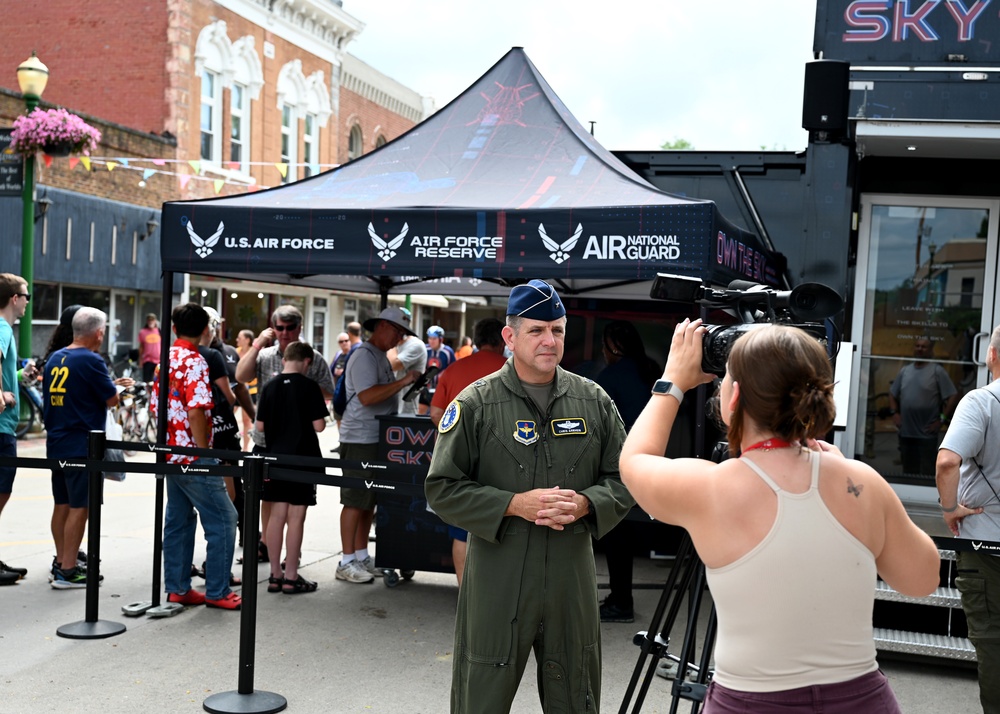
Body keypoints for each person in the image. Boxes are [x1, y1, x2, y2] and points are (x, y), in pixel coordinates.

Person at [620, 319, 940, 713]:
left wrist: (672, 381)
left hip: (749, 704)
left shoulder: (711, 490)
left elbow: (634, 462)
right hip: (862, 701)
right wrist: (859, 484)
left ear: (733, 397)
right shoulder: (861, 482)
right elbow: (923, 579)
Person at [425, 280, 633, 713]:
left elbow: (626, 476)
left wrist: (587, 503)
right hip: (498, 575)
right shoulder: (477, 404)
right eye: (536, 330)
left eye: (557, 330)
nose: (549, 340)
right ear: (510, 336)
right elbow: (442, 488)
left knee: (576, 694)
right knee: (480, 693)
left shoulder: (592, 400)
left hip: (569, 576)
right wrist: (512, 504)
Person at [152, 303, 241, 610]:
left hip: (169, 452)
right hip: (192, 453)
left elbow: (156, 408)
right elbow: (196, 408)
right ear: (206, 329)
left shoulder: (165, 359)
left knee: (178, 520)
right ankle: (218, 590)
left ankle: (177, 587)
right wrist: (204, 453)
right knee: (225, 519)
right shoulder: (196, 360)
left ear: (174, 328)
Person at [235, 304, 335, 561]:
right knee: (267, 498)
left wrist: (299, 391)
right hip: (267, 441)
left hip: (298, 442)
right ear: (273, 328)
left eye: (290, 328)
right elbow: (241, 376)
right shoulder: (266, 354)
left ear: (299, 328)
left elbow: (328, 391)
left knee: (296, 505)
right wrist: (256, 344)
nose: (284, 333)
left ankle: (290, 554)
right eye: (279, 328)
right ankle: (267, 546)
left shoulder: (310, 357)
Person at [936, 323, 1000, 713]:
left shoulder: (981, 403)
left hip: (987, 546)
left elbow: (947, 462)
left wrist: (949, 509)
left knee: (993, 643)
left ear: (991, 355)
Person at [337, 307, 421, 584]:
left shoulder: (379, 356)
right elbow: (367, 397)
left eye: (403, 334)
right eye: (398, 331)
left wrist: (406, 384)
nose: (399, 338)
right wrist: (404, 381)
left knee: (368, 501)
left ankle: (360, 555)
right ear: (383, 326)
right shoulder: (363, 355)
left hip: (375, 436)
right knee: (354, 501)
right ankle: (346, 560)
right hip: (360, 436)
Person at [42, 307, 121, 588]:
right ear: (99, 333)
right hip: (81, 443)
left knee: (62, 503)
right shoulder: (91, 360)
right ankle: (68, 569)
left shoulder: (55, 357)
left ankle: (62, 559)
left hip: (57, 440)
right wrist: (116, 390)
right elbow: (111, 399)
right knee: (80, 507)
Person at [428, 317, 506, 586]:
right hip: (503, 458)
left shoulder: (453, 370)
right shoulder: (512, 368)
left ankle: (465, 593)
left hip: (459, 459)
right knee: (502, 523)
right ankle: (496, 596)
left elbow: (436, 413)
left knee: (461, 530)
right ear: (502, 340)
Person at [593, 319, 661, 623]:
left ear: (614, 347)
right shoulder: (649, 369)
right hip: (647, 462)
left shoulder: (611, 376)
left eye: (605, 345)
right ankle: (621, 597)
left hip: (618, 465)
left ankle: (621, 603)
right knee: (624, 534)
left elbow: (598, 425)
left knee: (616, 535)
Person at [255, 341, 328, 595]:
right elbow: (319, 426)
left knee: (276, 517)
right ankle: (291, 576)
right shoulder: (309, 387)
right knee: (296, 518)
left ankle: (274, 575)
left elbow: (260, 426)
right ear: (307, 361)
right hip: (303, 460)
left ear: (285, 359)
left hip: (275, 459)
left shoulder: (269, 386)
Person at [0, 274, 32, 584]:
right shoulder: (2, 328)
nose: (26, 302)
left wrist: (20, 375)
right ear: (14, 298)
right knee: (1, 491)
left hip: (4, 425)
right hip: (1, 427)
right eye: (27, 296)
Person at [889, 336, 958, 477]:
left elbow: (952, 396)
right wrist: (894, 412)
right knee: (908, 470)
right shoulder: (905, 371)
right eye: (917, 346)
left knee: (927, 472)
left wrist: (942, 419)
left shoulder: (937, 371)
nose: (919, 349)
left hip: (927, 434)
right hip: (906, 433)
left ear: (930, 350)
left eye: (924, 347)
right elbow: (892, 393)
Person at [387, 311, 427, 416]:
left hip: (405, 408)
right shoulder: (395, 345)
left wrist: (392, 344)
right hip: (389, 403)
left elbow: (393, 365)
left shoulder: (415, 345)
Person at [418, 325, 455, 415]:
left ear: (441, 339)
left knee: (438, 413)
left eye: (434, 339)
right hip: (426, 387)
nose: (431, 341)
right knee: (421, 412)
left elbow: (453, 369)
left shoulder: (447, 351)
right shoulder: (425, 349)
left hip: (440, 389)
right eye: (430, 338)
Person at [235, 328, 257, 452]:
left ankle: (245, 448)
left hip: (250, 391)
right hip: (236, 389)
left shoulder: (254, 353)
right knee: (229, 414)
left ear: (247, 340)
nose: (237, 340)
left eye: (240, 338)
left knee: (246, 420)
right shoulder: (235, 352)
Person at [137, 313, 161, 384]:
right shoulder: (143, 332)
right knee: (147, 381)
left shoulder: (159, 331)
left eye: (152, 320)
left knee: (157, 381)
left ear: (155, 321)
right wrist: (140, 360)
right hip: (147, 360)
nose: (151, 322)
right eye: (149, 320)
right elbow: (141, 347)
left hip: (158, 361)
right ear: (147, 321)